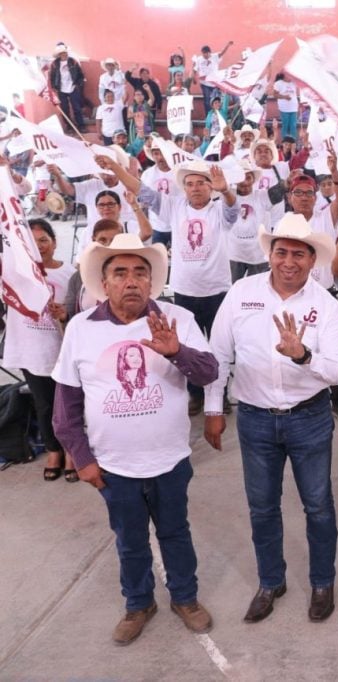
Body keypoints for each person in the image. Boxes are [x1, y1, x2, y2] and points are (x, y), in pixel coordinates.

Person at [52, 234, 217, 645]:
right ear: (104, 283)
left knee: (175, 533)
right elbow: (65, 407)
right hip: (113, 466)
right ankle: (139, 603)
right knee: (130, 541)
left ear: (152, 281)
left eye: (140, 273)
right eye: (120, 273)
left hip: (170, 459)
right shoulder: (81, 328)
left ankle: (185, 598)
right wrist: (82, 458)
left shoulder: (177, 318)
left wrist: (177, 352)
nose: (131, 281)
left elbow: (209, 373)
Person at [203, 214, 338, 623]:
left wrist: (302, 355)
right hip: (255, 419)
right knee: (262, 507)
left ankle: (322, 582)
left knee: (318, 506)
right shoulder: (241, 293)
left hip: (309, 418)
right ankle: (271, 581)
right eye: (281, 252)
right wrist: (213, 408)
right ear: (269, 254)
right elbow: (219, 354)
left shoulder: (326, 305)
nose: (288, 261)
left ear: (312, 260)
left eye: (299, 254)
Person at [99, 157, 239, 415]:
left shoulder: (219, 209)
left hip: (217, 290)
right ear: (184, 188)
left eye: (201, 183)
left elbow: (232, 210)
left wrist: (227, 191)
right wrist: (115, 167)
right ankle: (196, 393)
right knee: (187, 346)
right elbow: (141, 189)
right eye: (190, 184)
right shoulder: (174, 206)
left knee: (218, 348)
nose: (195, 188)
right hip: (185, 290)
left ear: (211, 186)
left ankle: (218, 396)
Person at [2, 220, 74, 481]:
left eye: (43, 240)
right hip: (31, 351)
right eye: (31, 242)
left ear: (54, 242)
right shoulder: (13, 274)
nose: (39, 247)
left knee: (67, 405)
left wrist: (65, 314)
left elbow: (81, 312)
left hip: (63, 351)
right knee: (44, 404)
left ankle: (72, 450)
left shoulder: (70, 273)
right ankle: (54, 450)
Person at [49, 42, 85, 131]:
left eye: (65, 52)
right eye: (62, 53)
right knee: (64, 109)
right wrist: (54, 87)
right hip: (61, 89)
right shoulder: (54, 64)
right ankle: (69, 127)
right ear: (59, 54)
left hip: (73, 87)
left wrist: (78, 84)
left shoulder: (73, 61)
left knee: (77, 108)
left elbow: (80, 74)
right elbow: (52, 76)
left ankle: (81, 126)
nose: (64, 54)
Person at [273, 73, 299, 140]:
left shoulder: (294, 83)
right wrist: (284, 97)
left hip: (293, 107)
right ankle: (285, 143)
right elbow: (275, 95)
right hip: (284, 108)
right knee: (285, 126)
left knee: (293, 126)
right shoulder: (278, 83)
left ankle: (293, 143)